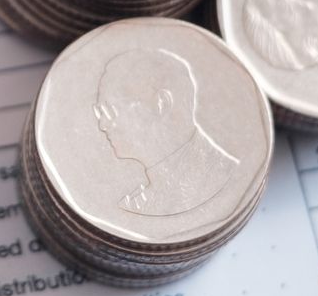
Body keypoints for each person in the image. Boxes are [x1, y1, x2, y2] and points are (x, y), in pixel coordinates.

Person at [92, 46, 238, 216]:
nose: (102, 125)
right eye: (99, 112)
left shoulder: (219, 175)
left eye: (110, 111)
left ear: (160, 104)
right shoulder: (138, 200)